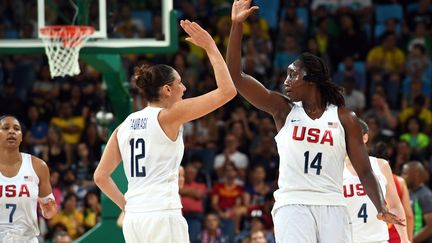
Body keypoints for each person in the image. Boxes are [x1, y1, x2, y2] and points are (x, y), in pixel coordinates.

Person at [226, 1, 404, 242]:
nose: (286, 81)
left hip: (332, 203)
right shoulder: (283, 110)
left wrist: (380, 206)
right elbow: (237, 77)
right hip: (293, 203)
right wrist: (237, 26)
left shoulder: (344, 118)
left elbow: (364, 170)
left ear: (310, 79)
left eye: (292, 75)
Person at [94, 19, 237, 243]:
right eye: (180, 83)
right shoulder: (169, 116)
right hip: (162, 214)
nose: (184, 88)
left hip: (134, 220)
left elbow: (100, 177)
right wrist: (210, 46)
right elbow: (227, 91)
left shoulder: (124, 126)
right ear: (167, 89)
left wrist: (128, 206)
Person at [343, 119, 409, 243]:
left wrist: (404, 239)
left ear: (365, 137)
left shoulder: (381, 165)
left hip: (378, 239)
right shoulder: (335, 167)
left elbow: (394, 205)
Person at [0, 115, 57, 242]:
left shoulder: (38, 166)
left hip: (26, 239)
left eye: (16, 128)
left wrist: (49, 210)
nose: (11, 131)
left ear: (21, 137)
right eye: (5, 128)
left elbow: (49, 211)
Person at [402, 161, 432, 243]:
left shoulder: (425, 195)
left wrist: (411, 241)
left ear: (416, 174)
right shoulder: (409, 193)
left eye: (405, 173)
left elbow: (430, 227)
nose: (402, 177)